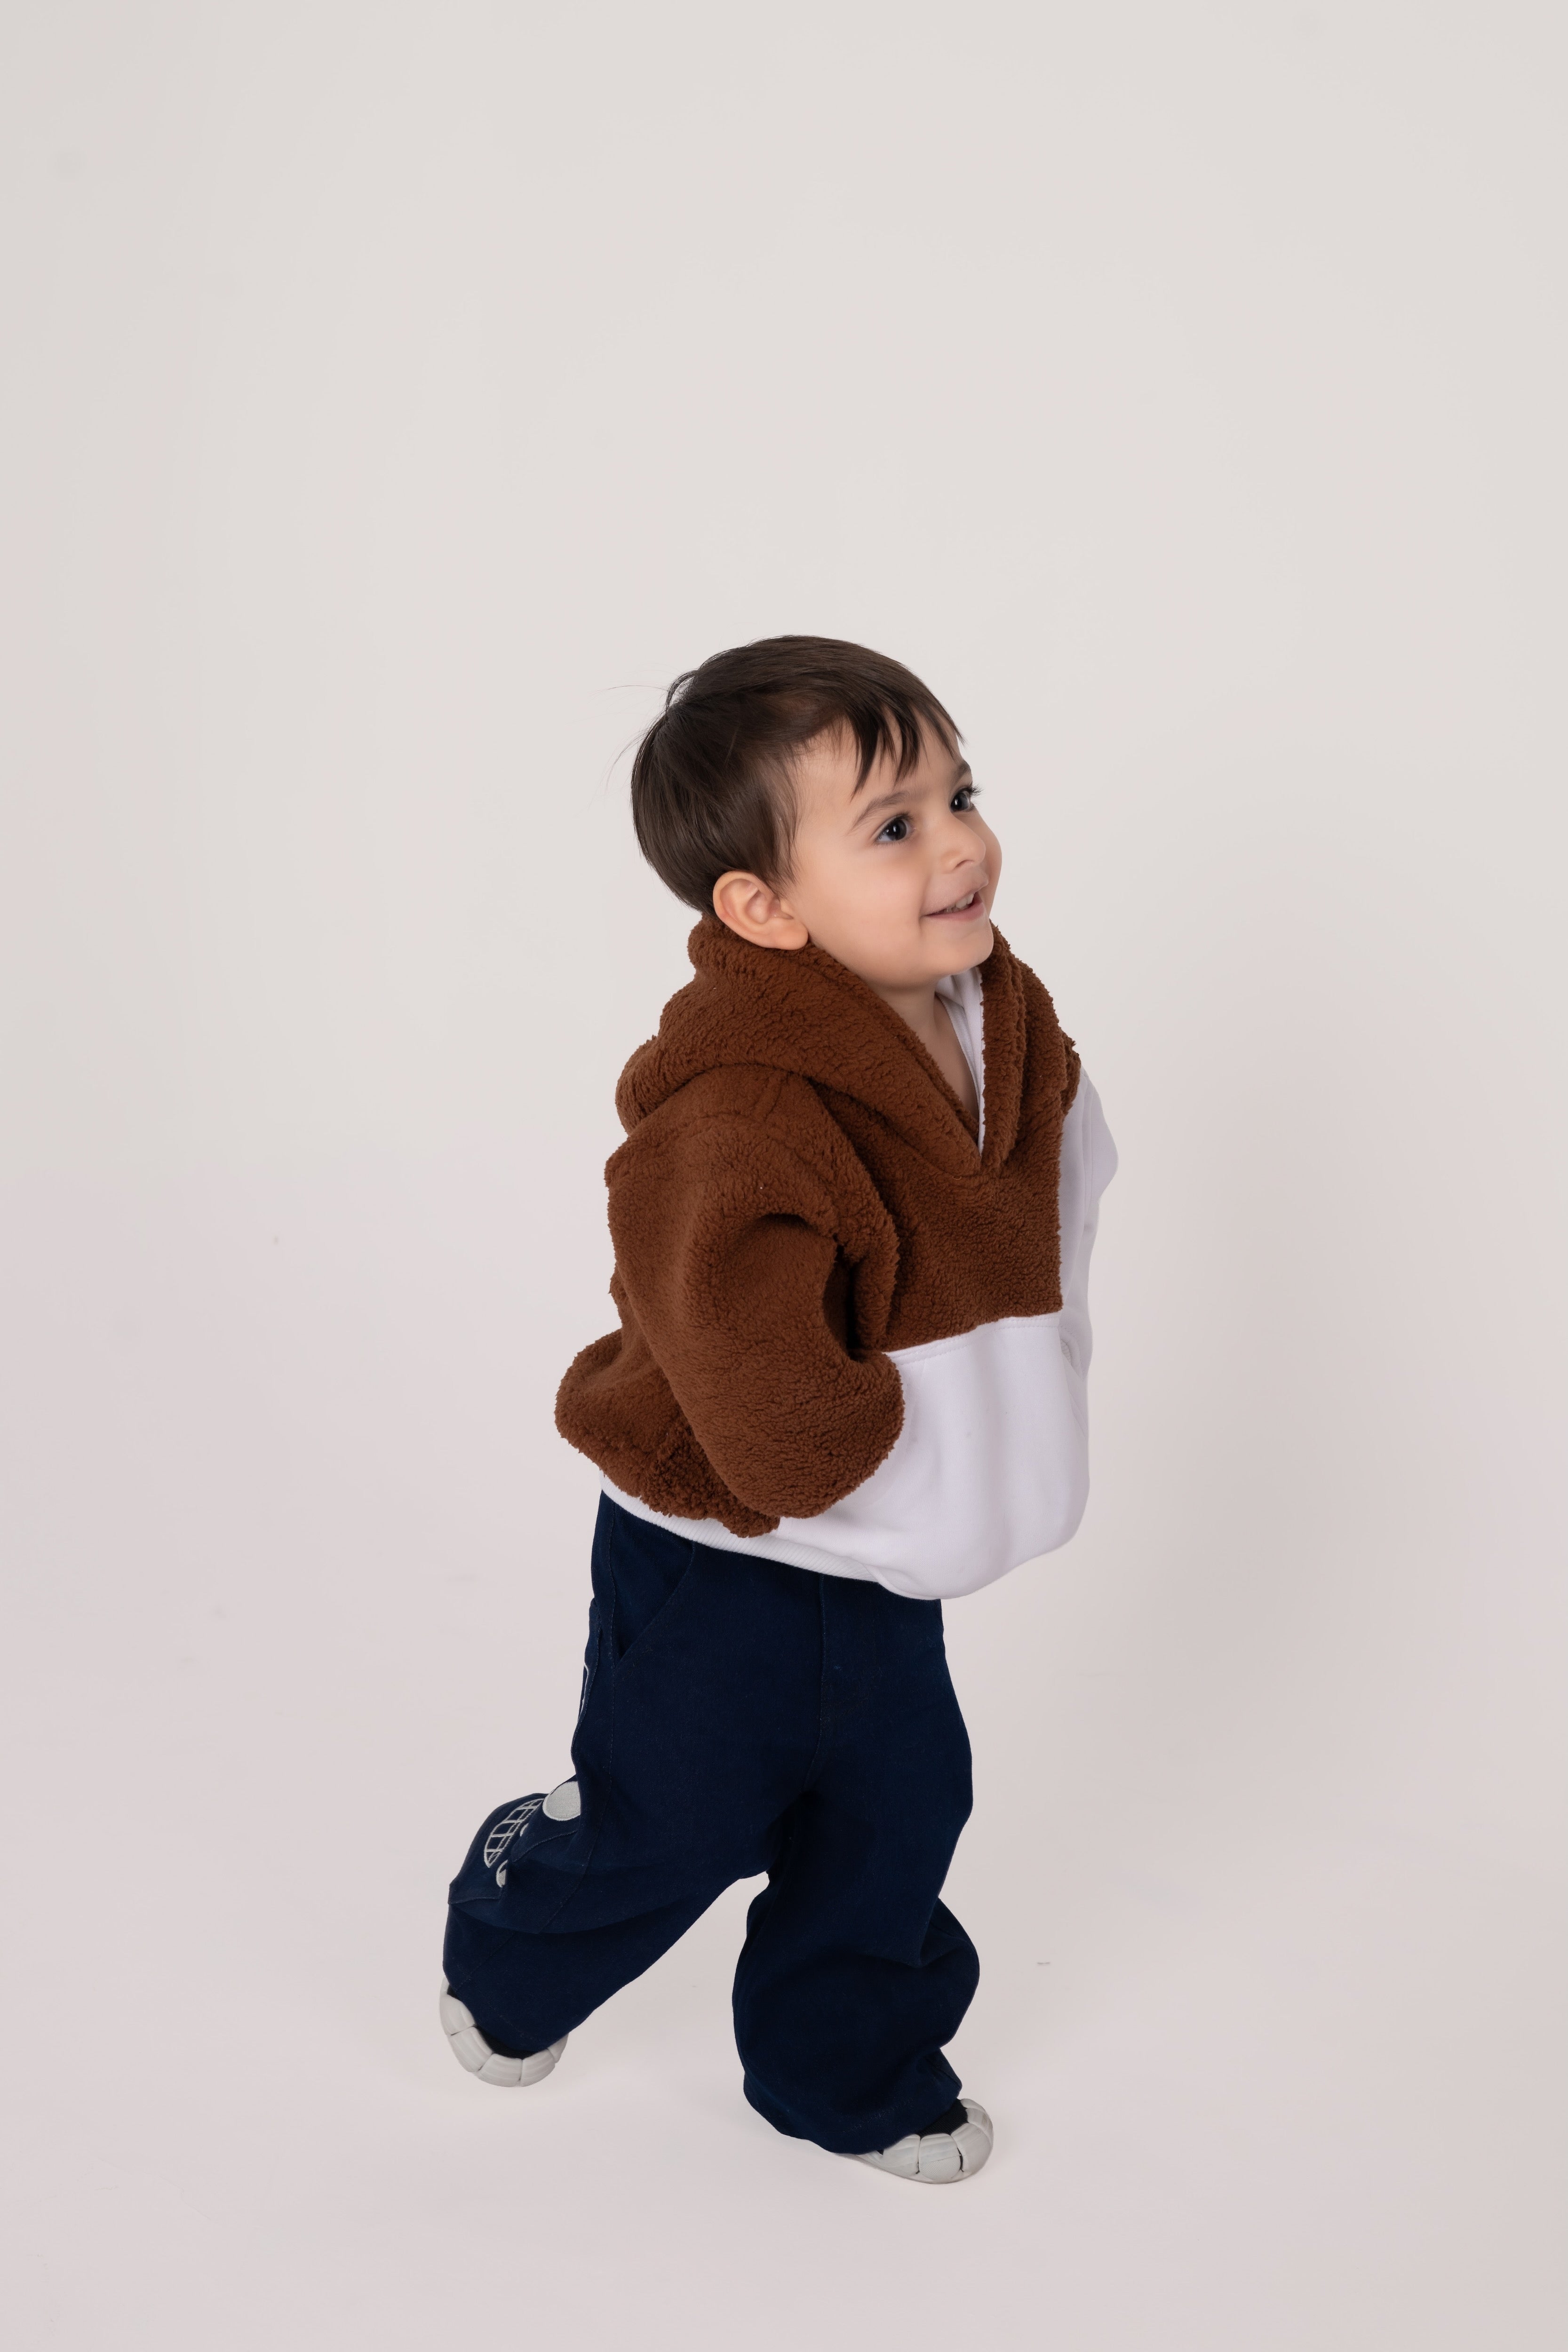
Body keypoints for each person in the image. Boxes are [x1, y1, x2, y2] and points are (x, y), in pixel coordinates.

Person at [439, 636, 1116, 2184]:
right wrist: (870, 1450)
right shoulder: (739, 1107)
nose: (957, 843)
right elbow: (733, 1338)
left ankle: (849, 2074)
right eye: (894, 824)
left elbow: (1071, 1187)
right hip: (728, 1546)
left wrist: (1034, 1398)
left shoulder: (1000, 1025)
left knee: (895, 1821)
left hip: (887, 1563)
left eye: (961, 793)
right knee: (671, 1822)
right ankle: (511, 1929)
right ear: (764, 907)